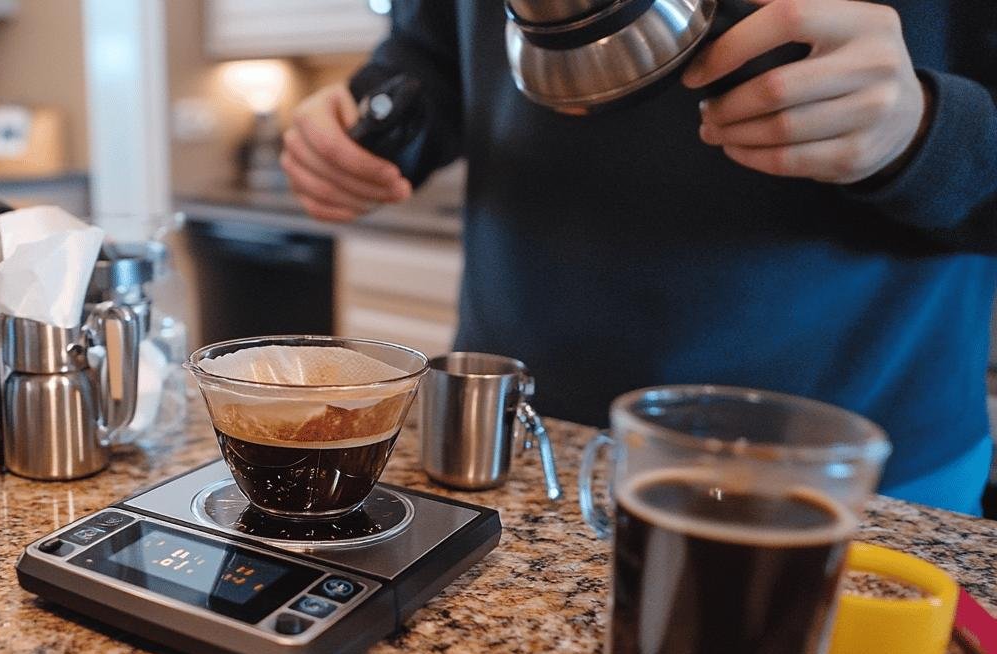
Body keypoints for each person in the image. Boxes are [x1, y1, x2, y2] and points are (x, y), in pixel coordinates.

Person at [282, 0, 997, 515]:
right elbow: (430, 52)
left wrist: (926, 132)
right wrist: (373, 121)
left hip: (853, 470)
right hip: (518, 442)